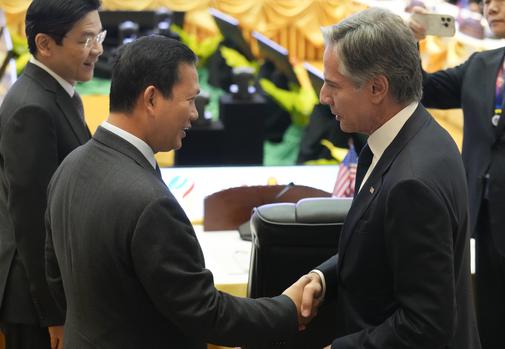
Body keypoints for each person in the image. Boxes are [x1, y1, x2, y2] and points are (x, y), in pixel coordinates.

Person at [44, 35, 309, 349]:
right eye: (190, 100)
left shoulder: (69, 166)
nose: (195, 114)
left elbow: (54, 274)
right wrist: (287, 309)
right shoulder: (149, 204)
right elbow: (205, 312)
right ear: (152, 99)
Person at [298, 7, 481, 349]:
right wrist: (324, 277)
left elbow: (425, 325)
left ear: (377, 88)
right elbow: (381, 247)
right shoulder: (412, 134)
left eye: (333, 85)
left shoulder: (414, 181)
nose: (323, 97)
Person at [409, 0, 505, 348]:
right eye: (485, 2)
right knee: (491, 332)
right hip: (484, 227)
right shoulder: (482, 64)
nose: (490, 7)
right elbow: (421, 88)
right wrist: (411, 42)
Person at [0, 0, 103, 348]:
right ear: (45, 44)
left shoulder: (57, 90)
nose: (98, 49)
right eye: (86, 39)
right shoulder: (32, 107)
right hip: (34, 304)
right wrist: (54, 314)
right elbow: (32, 220)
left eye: (98, 36)